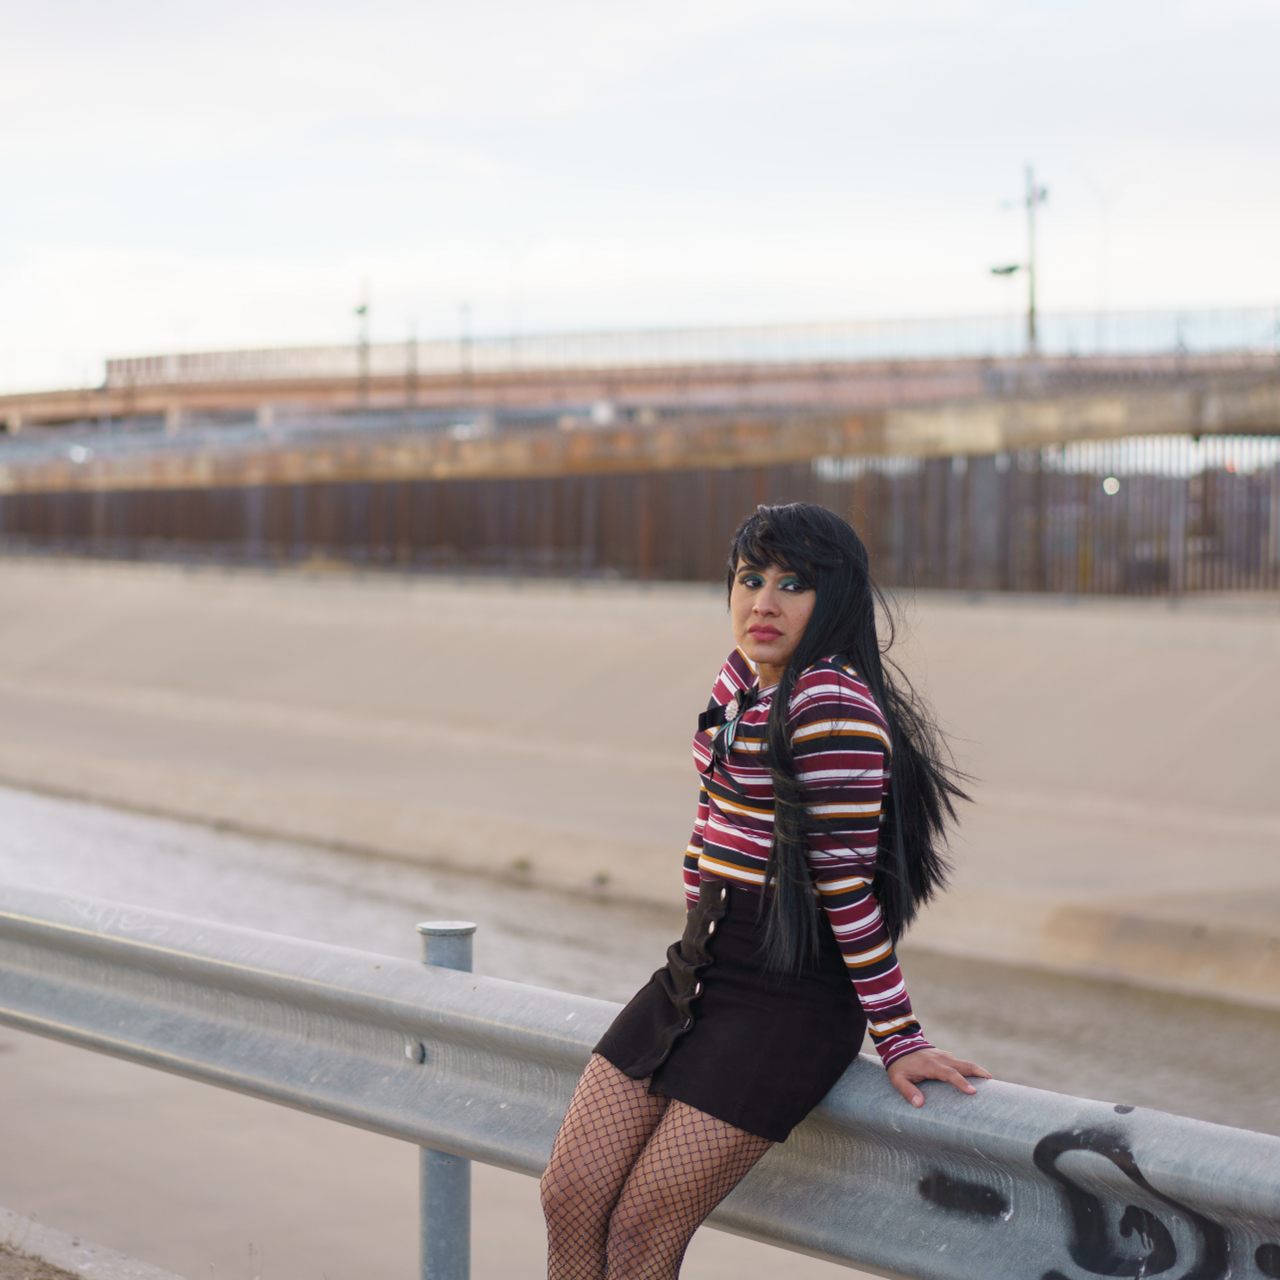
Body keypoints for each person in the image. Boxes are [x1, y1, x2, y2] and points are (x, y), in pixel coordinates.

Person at [540, 502, 991, 1280]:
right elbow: (713, 819)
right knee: (571, 1193)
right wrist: (694, 920)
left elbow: (849, 895)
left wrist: (901, 1038)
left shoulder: (834, 707)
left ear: (836, 601)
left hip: (787, 999)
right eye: (750, 579)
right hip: (698, 970)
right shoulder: (743, 681)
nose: (764, 603)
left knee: (643, 1231)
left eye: (794, 585)